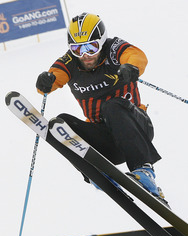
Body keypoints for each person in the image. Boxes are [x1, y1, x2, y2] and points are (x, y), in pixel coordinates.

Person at [36, 12, 165, 199]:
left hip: (137, 129)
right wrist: (45, 82)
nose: (86, 55)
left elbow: (136, 55)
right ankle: (97, 174)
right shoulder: (70, 62)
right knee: (60, 124)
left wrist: (132, 67)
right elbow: (53, 77)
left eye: (91, 47)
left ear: (102, 42)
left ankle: (145, 172)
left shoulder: (113, 49)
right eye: (78, 49)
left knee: (110, 106)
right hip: (106, 143)